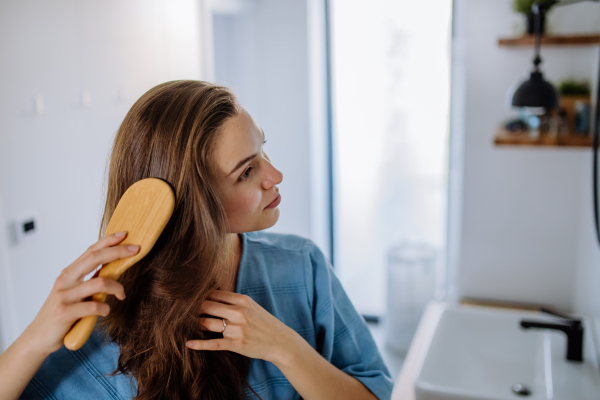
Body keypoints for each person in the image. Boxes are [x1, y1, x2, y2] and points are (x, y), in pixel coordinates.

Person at [0, 80, 394, 400]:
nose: (275, 175)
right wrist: (34, 340)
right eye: (246, 172)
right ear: (194, 206)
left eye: (263, 150)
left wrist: (286, 350)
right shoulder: (106, 321)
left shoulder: (302, 266)